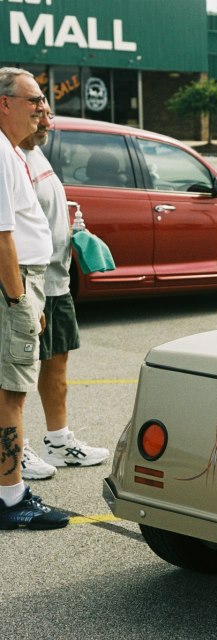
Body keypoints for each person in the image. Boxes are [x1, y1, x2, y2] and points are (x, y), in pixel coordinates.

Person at [18, 108, 109, 481]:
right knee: (17, 372)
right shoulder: (9, 157)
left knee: (56, 365)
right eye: (38, 113)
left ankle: (57, 442)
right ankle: (14, 447)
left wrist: (69, 225)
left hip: (57, 281)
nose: (47, 123)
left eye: (48, 114)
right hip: (29, 283)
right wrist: (20, 294)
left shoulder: (34, 152)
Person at [0, 67, 67, 530]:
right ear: (4, 103)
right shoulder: (1, 154)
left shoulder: (12, 151)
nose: (42, 107)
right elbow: (3, 237)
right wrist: (21, 301)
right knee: (12, 392)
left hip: (23, 278)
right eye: (33, 100)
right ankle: (10, 498)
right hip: (16, 280)